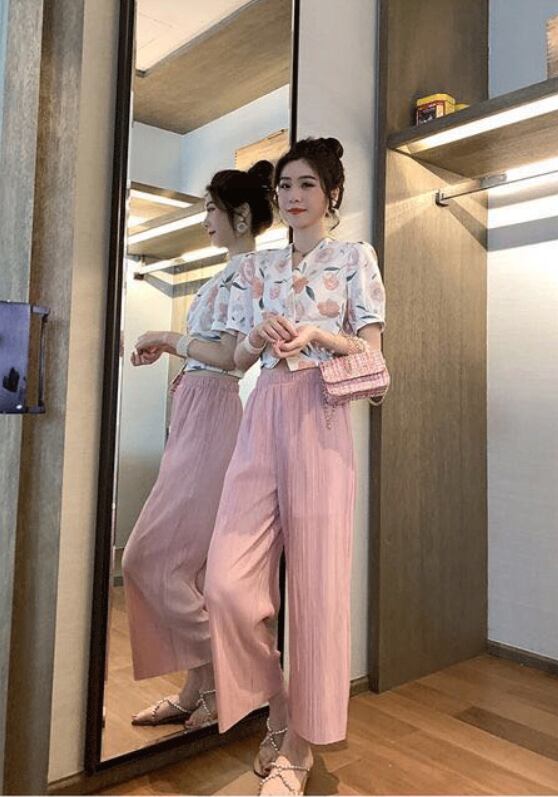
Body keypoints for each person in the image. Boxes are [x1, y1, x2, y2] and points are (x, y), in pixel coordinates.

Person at [204, 137, 386, 794]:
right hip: (264, 411)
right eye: (284, 185)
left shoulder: (354, 258)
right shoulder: (257, 268)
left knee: (317, 589)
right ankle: (280, 710)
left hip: (321, 416)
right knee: (226, 583)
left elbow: (374, 360)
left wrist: (320, 335)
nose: (292, 196)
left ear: (331, 194)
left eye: (307, 184)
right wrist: (255, 338)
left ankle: (301, 747)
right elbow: (234, 358)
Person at [122, 161, 274, 729]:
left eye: (212, 208)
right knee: (191, 566)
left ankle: (232, 672)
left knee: (146, 558)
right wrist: (176, 354)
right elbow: (211, 350)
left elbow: (232, 356)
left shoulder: (249, 273)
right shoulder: (227, 274)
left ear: (240, 216)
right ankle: (200, 691)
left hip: (212, 413)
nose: (205, 218)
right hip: (197, 410)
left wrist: (168, 338)